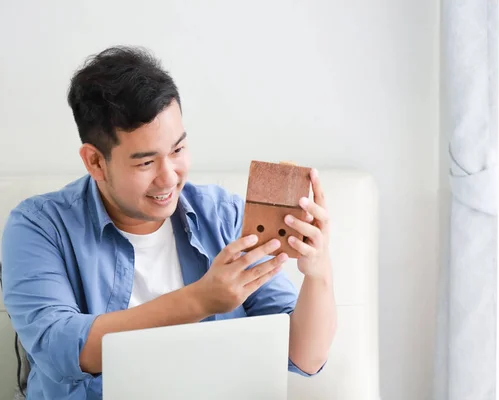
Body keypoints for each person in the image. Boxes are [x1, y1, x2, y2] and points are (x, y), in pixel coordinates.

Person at [0, 46, 337, 399]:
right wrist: (201, 300)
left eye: (177, 151)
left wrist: (318, 271)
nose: (169, 179)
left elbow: (304, 358)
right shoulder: (38, 227)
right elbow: (60, 348)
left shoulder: (223, 217)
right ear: (95, 162)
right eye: (145, 163)